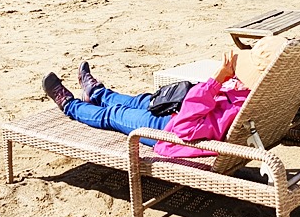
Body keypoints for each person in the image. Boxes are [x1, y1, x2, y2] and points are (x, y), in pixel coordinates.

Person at [41, 35, 287, 158]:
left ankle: (69, 104)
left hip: (168, 130)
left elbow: (184, 128)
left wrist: (216, 81)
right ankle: (96, 92)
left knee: (115, 115)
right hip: (182, 110)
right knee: (138, 100)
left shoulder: (239, 108)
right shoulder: (264, 94)